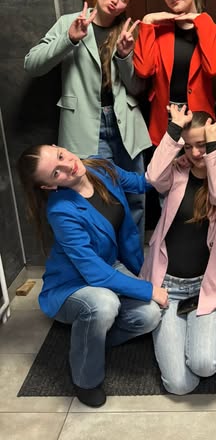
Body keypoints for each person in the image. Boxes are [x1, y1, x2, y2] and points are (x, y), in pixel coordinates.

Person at [17, 145, 168, 408]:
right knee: (103, 304)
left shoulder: (99, 167)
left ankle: (90, 339)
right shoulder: (61, 211)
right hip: (71, 284)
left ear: (59, 147)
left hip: (108, 266)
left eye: (61, 156)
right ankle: (85, 380)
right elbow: (94, 273)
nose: (68, 166)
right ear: (49, 186)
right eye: (56, 173)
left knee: (150, 316)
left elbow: (142, 183)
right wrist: (149, 290)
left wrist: (175, 144)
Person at [24, 0, 150, 241]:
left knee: (135, 197)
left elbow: (137, 88)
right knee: (99, 199)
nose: (115, 0)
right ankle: (107, 260)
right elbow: (32, 64)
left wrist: (124, 56)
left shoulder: (129, 32)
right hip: (84, 125)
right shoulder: (69, 22)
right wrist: (69, 39)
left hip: (125, 125)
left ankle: (136, 260)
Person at [140, 104, 216, 394]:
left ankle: (208, 328)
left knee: (205, 363)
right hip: (168, 287)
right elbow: (152, 178)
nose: (195, 153)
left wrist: (212, 148)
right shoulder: (176, 171)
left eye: (202, 145)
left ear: (215, 142)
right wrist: (174, 131)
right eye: (189, 146)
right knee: (179, 385)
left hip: (207, 287)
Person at [133, 0, 216, 146]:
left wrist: (202, 20)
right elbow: (143, 70)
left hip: (199, 124)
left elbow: (214, 69)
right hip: (165, 121)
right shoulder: (157, 31)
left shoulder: (214, 31)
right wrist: (147, 22)